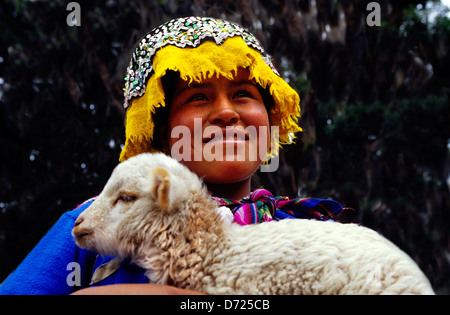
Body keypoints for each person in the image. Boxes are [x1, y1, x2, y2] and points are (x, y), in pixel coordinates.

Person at [0, 16, 343, 295]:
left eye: (242, 93)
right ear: (161, 135)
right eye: (198, 97)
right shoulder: (95, 222)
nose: (226, 112)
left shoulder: (313, 231)